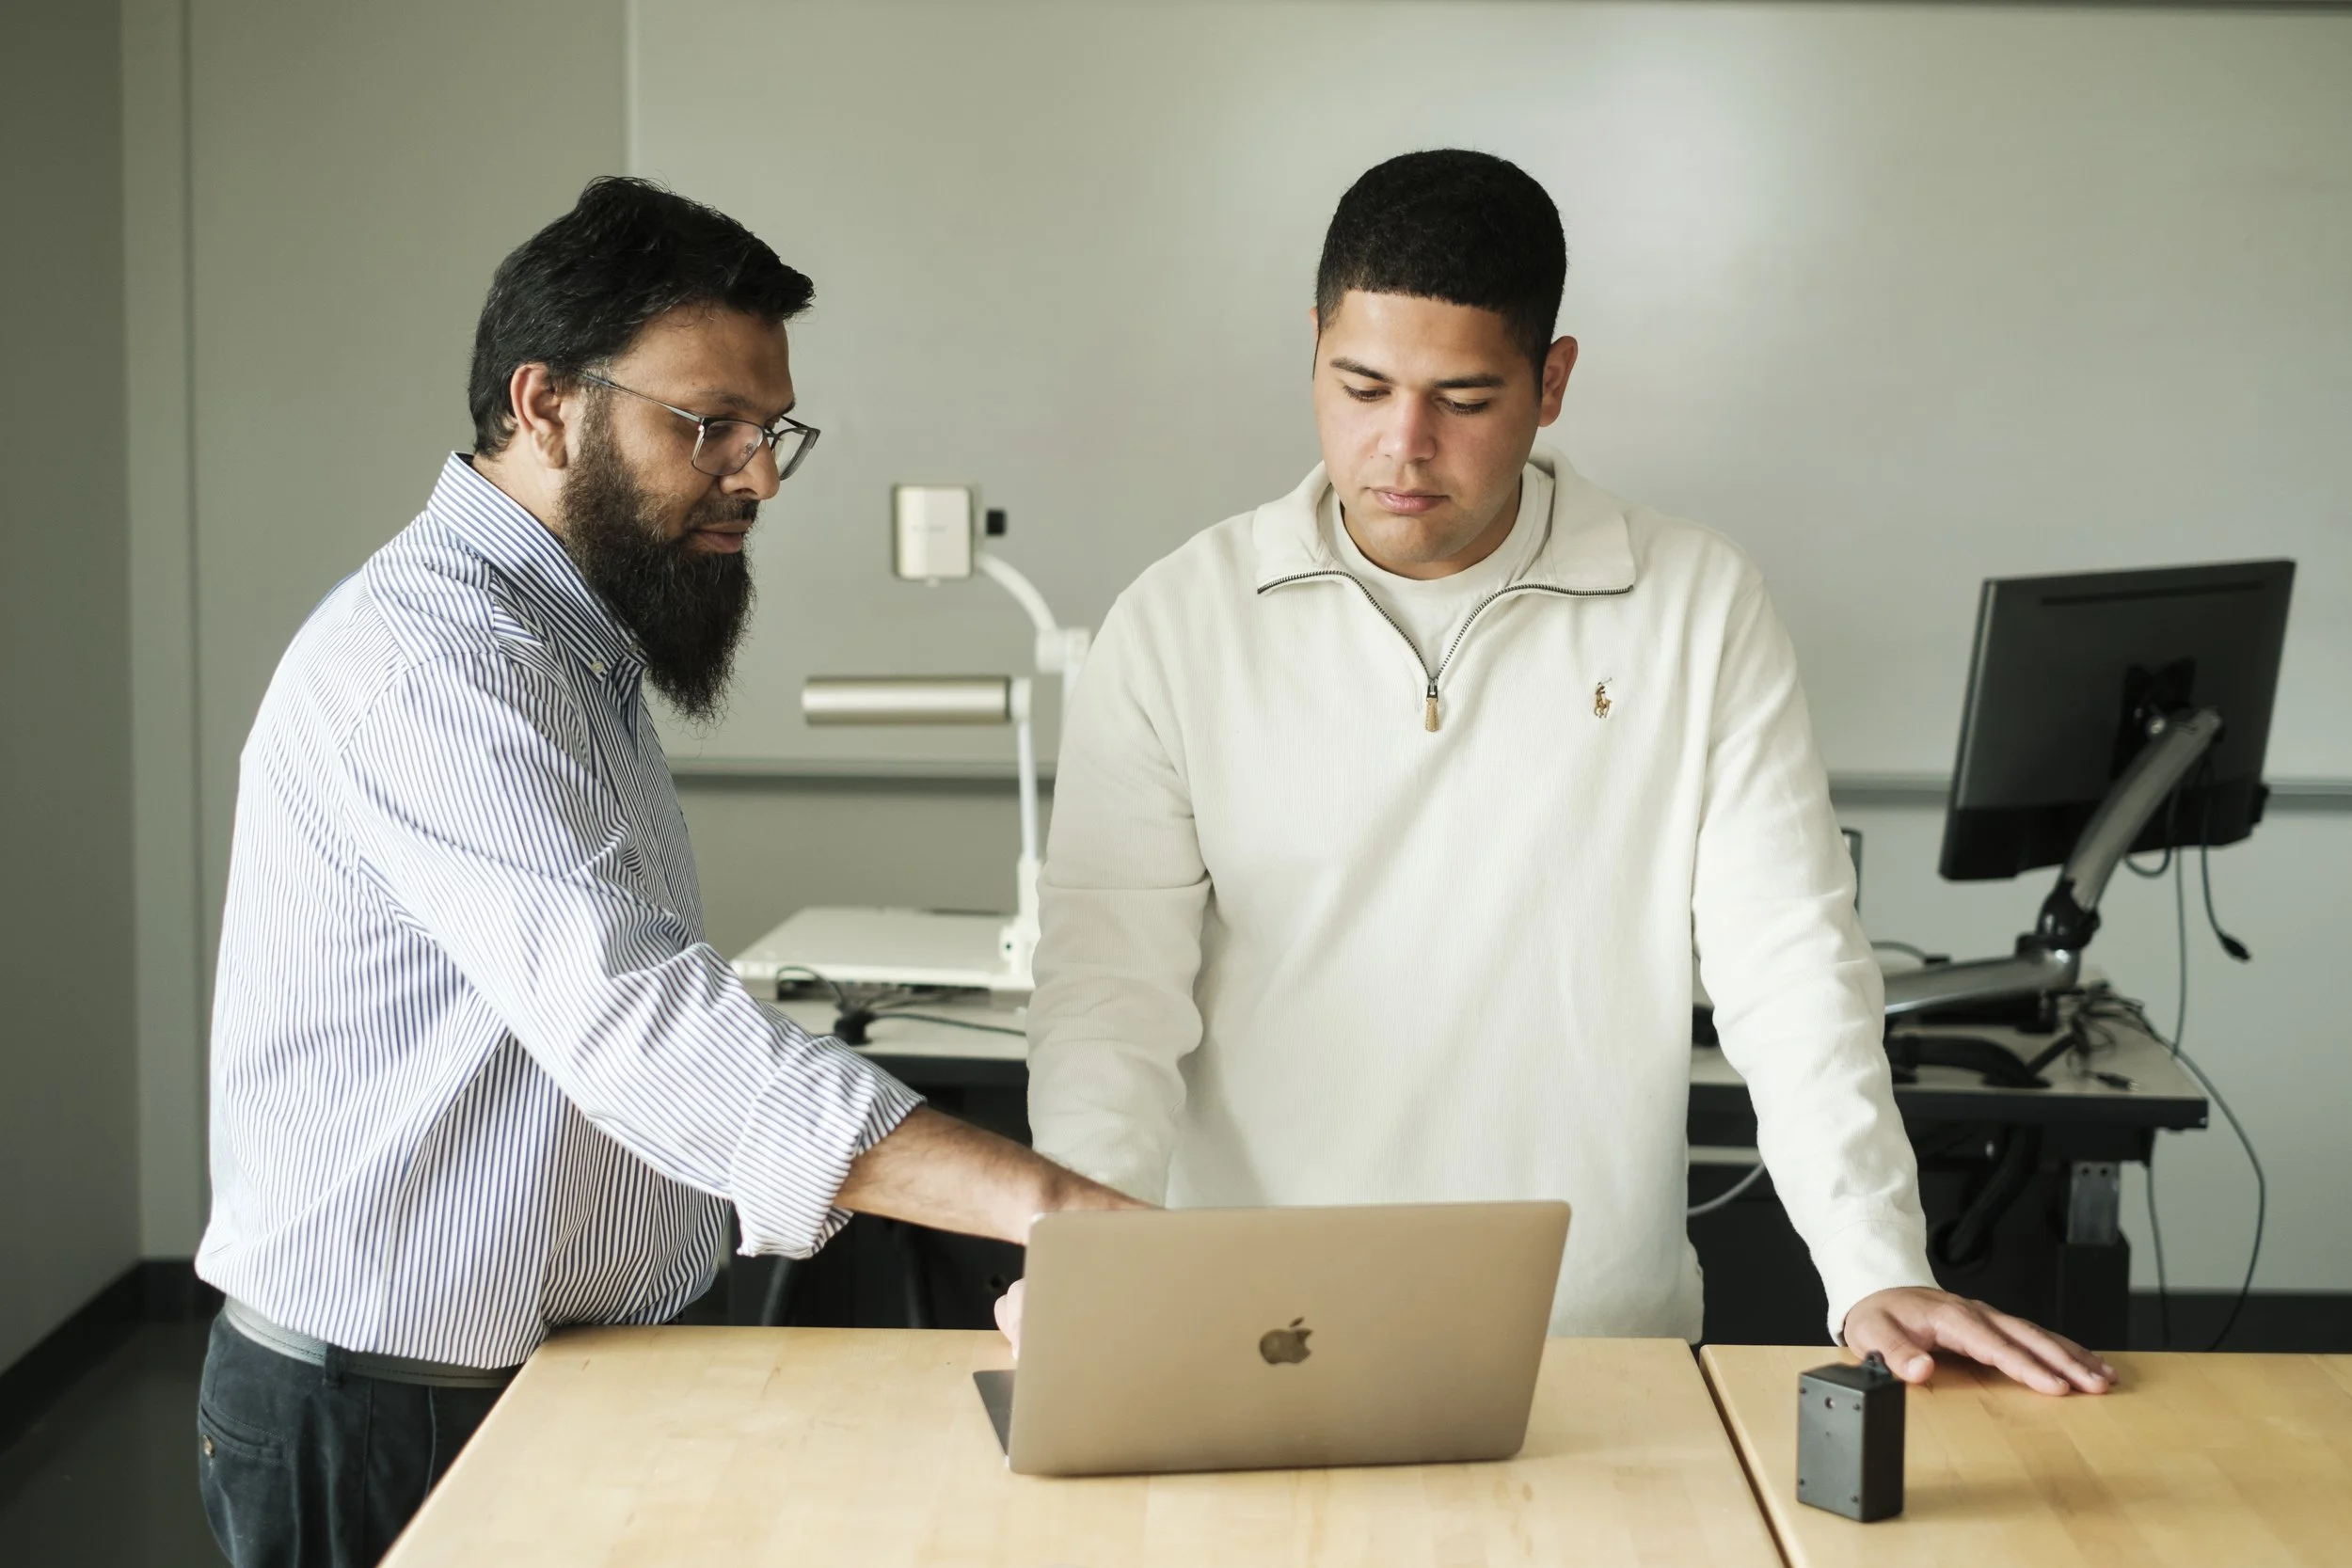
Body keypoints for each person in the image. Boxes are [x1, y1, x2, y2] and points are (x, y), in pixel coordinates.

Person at [1023, 150, 2113, 1397]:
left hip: (1593, 1342)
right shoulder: (1179, 622)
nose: (1402, 446)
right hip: (1253, 1327)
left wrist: (1875, 1262)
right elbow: (1111, 999)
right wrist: (1082, 1265)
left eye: (1465, 398)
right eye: (1361, 386)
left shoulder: (1694, 604)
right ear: (1312, 345)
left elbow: (1790, 962)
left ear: (1552, 382)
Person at [193, 176, 1132, 1567]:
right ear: (546, 405)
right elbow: (643, 1026)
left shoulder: (569, 639)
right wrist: (1059, 1214)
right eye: (709, 425)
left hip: (570, 1370)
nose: (757, 474)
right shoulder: (435, 666)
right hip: (389, 1412)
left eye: (773, 430)